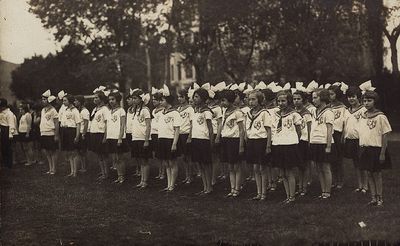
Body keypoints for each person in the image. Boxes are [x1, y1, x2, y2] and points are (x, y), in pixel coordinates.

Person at [358, 90, 391, 207]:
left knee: (377, 174)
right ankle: (373, 197)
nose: (366, 103)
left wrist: (382, 153)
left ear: (375, 101)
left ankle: (380, 197)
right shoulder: (363, 116)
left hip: (376, 149)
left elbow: (385, 134)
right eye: (364, 101)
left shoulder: (381, 116)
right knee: (368, 173)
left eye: (369, 101)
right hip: (365, 148)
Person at [272, 90, 302, 204]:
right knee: (282, 173)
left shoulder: (294, 114)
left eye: (283, 101)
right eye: (278, 101)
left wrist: (292, 140)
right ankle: (287, 195)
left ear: (288, 101)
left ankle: (292, 196)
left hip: (289, 145)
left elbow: (299, 131)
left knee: (289, 172)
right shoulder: (276, 114)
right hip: (278, 144)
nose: (280, 103)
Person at [218, 89, 245, 198]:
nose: (221, 103)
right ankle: (232, 188)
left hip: (235, 140)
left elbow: (241, 130)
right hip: (226, 140)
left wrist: (241, 145)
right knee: (230, 167)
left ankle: (237, 189)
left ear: (229, 100)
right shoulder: (225, 111)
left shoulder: (237, 112)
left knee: (236, 166)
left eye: (223, 100)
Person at [246, 90, 272, 201]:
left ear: (260, 100)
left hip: (261, 141)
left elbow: (269, 130)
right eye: (249, 99)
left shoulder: (264, 113)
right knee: (255, 168)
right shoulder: (248, 113)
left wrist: (268, 145)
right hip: (252, 141)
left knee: (262, 168)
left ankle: (264, 193)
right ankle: (258, 192)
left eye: (253, 99)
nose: (251, 102)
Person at [309, 89, 335, 199]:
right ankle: (323, 190)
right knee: (318, 168)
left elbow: (329, 130)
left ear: (323, 98)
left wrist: (328, 146)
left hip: (324, 143)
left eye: (315, 97)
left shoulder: (328, 112)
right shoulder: (314, 111)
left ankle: (328, 192)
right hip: (315, 141)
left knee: (325, 167)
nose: (313, 100)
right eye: (313, 97)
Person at [343, 86, 368, 194]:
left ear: (358, 97)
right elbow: (345, 125)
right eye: (349, 97)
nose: (351, 99)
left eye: (353, 96)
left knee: (363, 162)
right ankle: (360, 184)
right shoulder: (347, 110)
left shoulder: (363, 110)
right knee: (356, 163)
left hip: (361, 140)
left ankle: (366, 186)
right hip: (350, 139)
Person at [190, 88, 214, 194]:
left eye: (196, 97)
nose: (194, 99)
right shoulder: (195, 110)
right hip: (196, 139)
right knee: (200, 165)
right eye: (194, 97)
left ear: (203, 98)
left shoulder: (207, 111)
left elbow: (210, 128)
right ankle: (205, 187)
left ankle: (209, 187)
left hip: (204, 140)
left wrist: (211, 142)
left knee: (206, 164)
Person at [157, 89, 181, 192]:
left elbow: (177, 129)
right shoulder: (162, 113)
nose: (160, 102)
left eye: (162, 100)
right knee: (166, 163)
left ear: (168, 101)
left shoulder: (175, 113)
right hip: (162, 139)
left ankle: (172, 184)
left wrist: (174, 143)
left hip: (171, 140)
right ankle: (168, 184)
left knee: (172, 163)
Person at [129, 89, 152, 189]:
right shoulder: (136, 110)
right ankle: (142, 180)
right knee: (140, 161)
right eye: (133, 98)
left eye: (135, 98)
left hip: (143, 138)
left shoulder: (145, 110)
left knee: (144, 161)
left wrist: (146, 140)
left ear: (141, 99)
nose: (133, 100)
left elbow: (148, 126)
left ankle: (145, 181)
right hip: (136, 138)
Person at [104, 91, 127, 183]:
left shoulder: (121, 111)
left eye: (113, 99)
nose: (111, 101)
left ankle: (122, 176)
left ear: (117, 100)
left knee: (119, 158)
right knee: (115, 158)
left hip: (118, 137)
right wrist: (106, 136)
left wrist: (120, 138)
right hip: (111, 137)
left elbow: (122, 125)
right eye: (109, 99)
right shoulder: (109, 111)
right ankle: (118, 175)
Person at [293, 91, 312, 196]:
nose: (296, 101)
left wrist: (309, 141)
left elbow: (309, 128)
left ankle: (304, 187)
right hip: (296, 140)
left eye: (298, 99)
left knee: (304, 165)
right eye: (294, 99)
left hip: (304, 140)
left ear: (303, 100)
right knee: (299, 165)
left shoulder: (306, 113)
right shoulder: (293, 112)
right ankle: (299, 185)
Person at [88, 90, 109, 181]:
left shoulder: (105, 109)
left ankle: (106, 173)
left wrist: (105, 136)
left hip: (101, 134)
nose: (95, 99)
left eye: (96, 97)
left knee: (103, 155)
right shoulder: (95, 109)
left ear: (101, 99)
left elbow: (107, 123)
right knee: (98, 155)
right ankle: (103, 172)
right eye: (94, 97)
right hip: (94, 133)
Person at [328, 85, 346, 189]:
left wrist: (343, 134)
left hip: (338, 134)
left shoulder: (342, 107)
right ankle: (333, 180)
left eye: (332, 94)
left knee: (339, 159)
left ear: (337, 94)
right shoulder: (328, 107)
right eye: (329, 94)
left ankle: (340, 180)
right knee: (331, 158)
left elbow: (344, 123)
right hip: (330, 134)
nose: (330, 96)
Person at [59, 95, 82, 177]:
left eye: (65, 100)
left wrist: (77, 136)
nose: (63, 102)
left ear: (70, 101)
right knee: (69, 152)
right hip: (65, 131)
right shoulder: (65, 110)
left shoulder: (75, 111)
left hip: (72, 131)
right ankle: (72, 171)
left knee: (74, 152)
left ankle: (75, 171)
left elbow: (78, 124)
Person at [39, 91, 59, 174]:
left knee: (52, 151)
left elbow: (56, 123)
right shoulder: (43, 110)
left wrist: (56, 135)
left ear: (49, 100)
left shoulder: (53, 110)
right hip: (44, 132)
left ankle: (54, 168)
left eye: (44, 99)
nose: (43, 101)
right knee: (47, 152)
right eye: (42, 99)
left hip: (51, 133)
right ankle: (50, 168)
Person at [177, 89, 194, 184]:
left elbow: (192, 123)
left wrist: (190, 136)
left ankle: (190, 176)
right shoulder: (179, 109)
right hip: (180, 134)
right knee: (184, 157)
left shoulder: (190, 108)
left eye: (181, 97)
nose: (179, 99)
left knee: (189, 157)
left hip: (187, 134)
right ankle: (187, 175)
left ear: (185, 97)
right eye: (178, 97)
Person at [151, 92, 165, 180]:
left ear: (160, 101)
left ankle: (163, 172)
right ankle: (160, 171)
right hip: (154, 134)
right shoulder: (153, 110)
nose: (153, 101)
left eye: (155, 100)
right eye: (152, 100)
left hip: (160, 134)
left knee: (162, 154)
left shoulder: (163, 110)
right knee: (157, 155)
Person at [74, 96, 90, 172]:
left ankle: (84, 167)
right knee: (79, 150)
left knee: (83, 151)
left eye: (76, 101)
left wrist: (84, 133)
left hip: (83, 133)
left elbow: (86, 123)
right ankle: (82, 166)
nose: (74, 102)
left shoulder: (85, 111)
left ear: (80, 102)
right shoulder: (78, 110)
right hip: (78, 132)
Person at [0, 98, 16, 169]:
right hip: (2, 130)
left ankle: (9, 164)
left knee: (7, 148)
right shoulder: (1, 113)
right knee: (3, 148)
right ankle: (5, 163)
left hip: (7, 130)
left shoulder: (9, 113)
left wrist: (10, 134)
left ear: (4, 106)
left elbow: (11, 124)